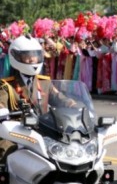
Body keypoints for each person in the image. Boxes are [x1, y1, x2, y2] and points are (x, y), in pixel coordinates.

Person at [0, 35, 76, 165]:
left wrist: (76, 106)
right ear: (16, 57)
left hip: (44, 130)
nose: (32, 59)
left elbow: (60, 99)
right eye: (27, 56)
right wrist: (2, 110)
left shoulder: (45, 83)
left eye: (35, 55)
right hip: (18, 133)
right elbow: (1, 103)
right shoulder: (6, 85)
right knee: (6, 149)